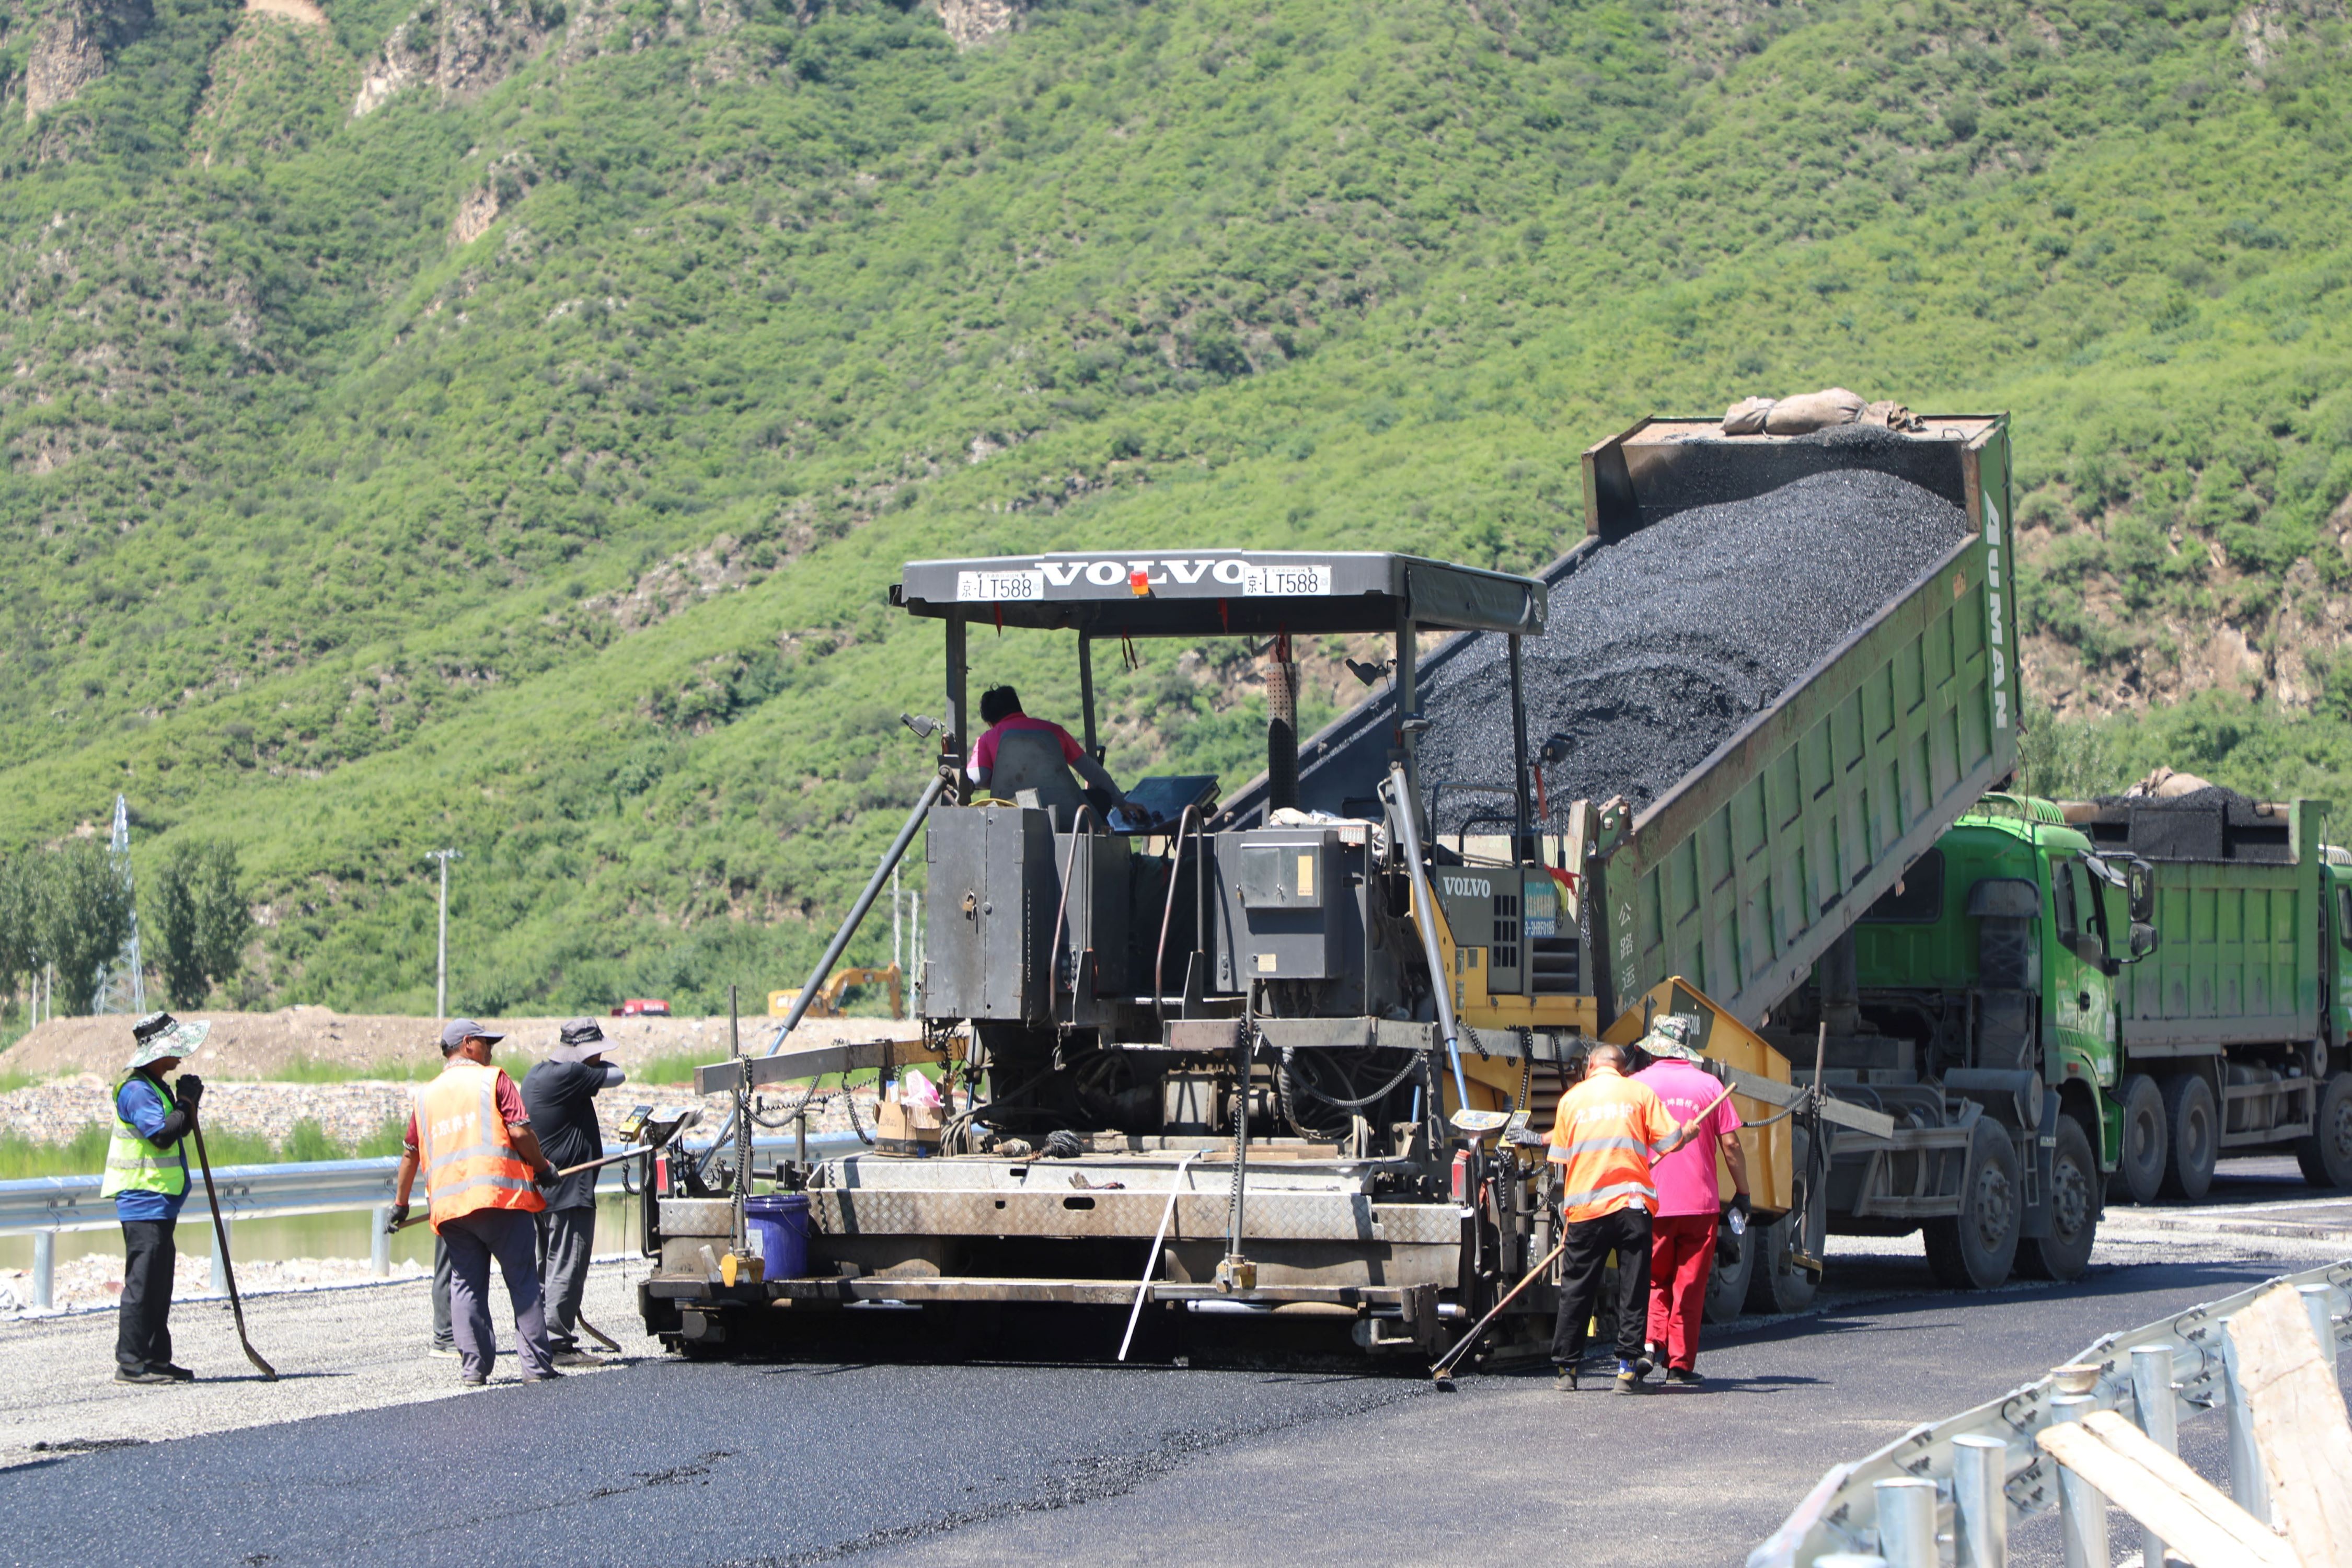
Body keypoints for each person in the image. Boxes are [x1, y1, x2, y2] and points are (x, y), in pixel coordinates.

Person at [389, 1019, 560, 1386]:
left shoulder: (425, 1096)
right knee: (523, 1280)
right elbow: (518, 1130)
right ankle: (535, 1368)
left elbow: (410, 1155)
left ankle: (474, 1371)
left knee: (465, 1284)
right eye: (485, 1043)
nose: (491, 1050)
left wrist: (400, 1205)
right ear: (467, 1044)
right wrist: (542, 1168)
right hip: (499, 1200)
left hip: (452, 1211)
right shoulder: (493, 1080)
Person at [1546, 1040, 1700, 1394]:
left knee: (1576, 1290)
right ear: (1622, 1068)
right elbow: (1668, 1142)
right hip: (1632, 1207)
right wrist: (1688, 1133)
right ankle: (1627, 1372)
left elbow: (1561, 1156)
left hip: (1586, 1211)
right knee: (1633, 1291)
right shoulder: (1639, 1093)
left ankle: (1567, 1371)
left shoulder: (1571, 1101)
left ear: (1591, 1067)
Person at [1633, 1016, 1749, 1387]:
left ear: (1654, 1047)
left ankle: (1651, 1344)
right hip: (1699, 1204)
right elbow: (1731, 1146)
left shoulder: (1636, 1086)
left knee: (1653, 1278)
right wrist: (1743, 1194)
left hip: (1649, 1198)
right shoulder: (1710, 1086)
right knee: (1689, 1283)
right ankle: (1680, 1366)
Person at [101, 1012, 211, 1386]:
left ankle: (157, 1358)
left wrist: (184, 1104)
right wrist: (185, 1104)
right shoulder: (136, 1091)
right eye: (174, 1050)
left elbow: (176, 1126)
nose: (181, 1056)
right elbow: (163, 1136)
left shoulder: (157, 1087)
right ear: (156, 1053)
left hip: (161, 1202)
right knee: (142, 1283)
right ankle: (131, 1362)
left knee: (160, 1283)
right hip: (141, 1201)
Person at [522, 1018, 627, 1366]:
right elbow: (618, 1075)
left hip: (541, 1188)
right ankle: (558, 1343)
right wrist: (592, 1064)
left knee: (545, 1268)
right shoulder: (571, 1075)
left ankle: (537, 1338)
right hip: (568, 1190)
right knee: (567, 1264)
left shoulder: (539, 1073)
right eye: (595, 1053)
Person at [966, 685, 1135, 818]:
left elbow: (976, 778)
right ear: (1018, 708)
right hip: (1066, 814)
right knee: (1102, 797)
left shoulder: (987, 739)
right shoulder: (1054, 731)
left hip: (1013, 816)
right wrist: (1121, 802)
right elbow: (1091, 771)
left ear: (990, 722)